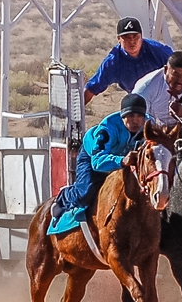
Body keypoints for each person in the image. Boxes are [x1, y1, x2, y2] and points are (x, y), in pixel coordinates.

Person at [49, 93, 150, 225]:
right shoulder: (108, 128)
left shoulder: (149, 126)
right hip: (92, 156)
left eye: (139, 116)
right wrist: (122, 161)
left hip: (122, 160)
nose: (136, 121)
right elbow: (97, 162)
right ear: (123, 116)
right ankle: (65, 197)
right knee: (85, 193)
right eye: (131, 116)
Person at [83, 17, 173, 105]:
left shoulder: (158, 51)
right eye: (126, 37)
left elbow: (181, 69)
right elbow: (92, 88)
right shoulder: (113, 61)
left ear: (141, 36)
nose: (132, 41)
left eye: (135, 36)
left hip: (165, 97)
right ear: (119, 39)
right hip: (138, 102)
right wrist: (75, 115)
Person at [131, 50, 182, 127]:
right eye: (176, 75)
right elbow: (138, 120)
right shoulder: (145, 87)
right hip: (157, 131)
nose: (181, 80)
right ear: (165, 70)